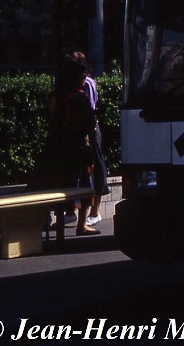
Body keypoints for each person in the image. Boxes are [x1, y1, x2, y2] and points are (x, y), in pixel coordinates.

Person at [50, 53, 101, 236]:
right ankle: (82, 224)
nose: (83, 80)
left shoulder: (57, 94)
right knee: (85, 185)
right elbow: (90, 124)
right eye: (81, 77)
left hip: (60, 146)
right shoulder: (79, 97)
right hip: (79, 148)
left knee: (63, 182)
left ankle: (62, 218)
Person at [71, 52, 110, 226]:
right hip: (85, 127)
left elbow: (89, 108)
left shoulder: (85, 84)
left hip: (89, 128)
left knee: (94, 165)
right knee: (84, 167)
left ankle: (95, 211)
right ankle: (75, 210)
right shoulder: (81, 83)